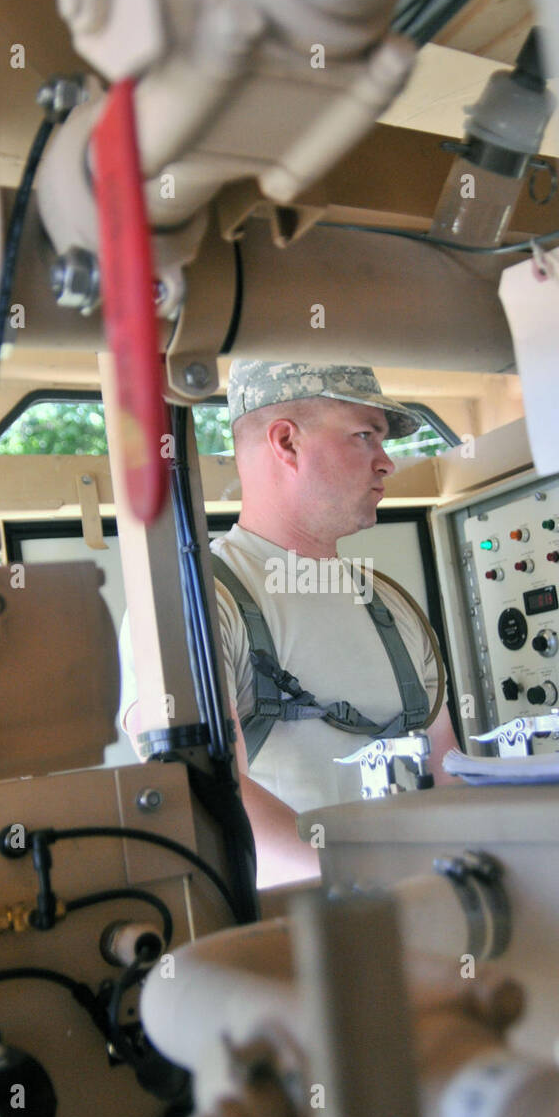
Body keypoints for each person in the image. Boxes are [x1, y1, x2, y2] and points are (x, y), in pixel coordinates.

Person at [120, 361, 459, 887]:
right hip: (284, 943)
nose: (386, 462)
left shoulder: (392, 604)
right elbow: (197, 794)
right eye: (365, 436)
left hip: (418, 920)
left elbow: (446, 769)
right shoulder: (196, 602)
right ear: (287, 443)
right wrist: (371, 888)